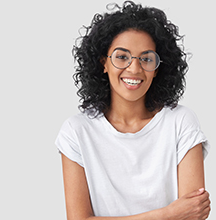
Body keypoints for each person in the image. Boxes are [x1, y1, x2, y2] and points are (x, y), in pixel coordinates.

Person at [55, 1, 211, 219]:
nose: (134, 68)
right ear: (104, 63)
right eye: (122, 57)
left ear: (157, 69)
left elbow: (193, 214)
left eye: (146, 58)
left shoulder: (180, 122)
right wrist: (167, 214)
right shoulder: (77, 132)